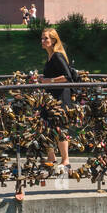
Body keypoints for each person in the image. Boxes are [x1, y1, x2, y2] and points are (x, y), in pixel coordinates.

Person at [39, 27, 73, 174]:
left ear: (54, 40)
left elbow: (67, 76)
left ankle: (65, 161)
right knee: (46, 126)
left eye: (46, 38)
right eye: (42, 38)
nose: (43, 41)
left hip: (60, 97)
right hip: (51, 98)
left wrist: (48, 80)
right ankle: (51, 157)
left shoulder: (58, 55)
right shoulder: (50, 56)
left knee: (60, 128)